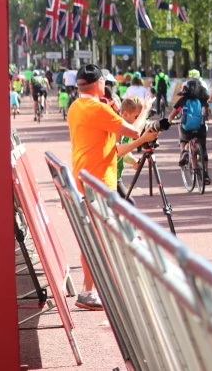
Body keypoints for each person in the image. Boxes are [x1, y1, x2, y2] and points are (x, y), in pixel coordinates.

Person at [67, 64, 160, 310]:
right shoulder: (97, 108)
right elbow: (132, 129)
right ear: (99, 84)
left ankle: (92, 288)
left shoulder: (76, 107)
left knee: (96, 237)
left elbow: (113, 150)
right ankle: (89, 291)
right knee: (97, 238)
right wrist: (146, 111)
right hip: (98, 181)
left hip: (88, 176)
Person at [170, 74, 212, 185]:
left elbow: (172, 115)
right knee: (203, 149)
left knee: (182, 134)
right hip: (200, 129)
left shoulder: (183, 101)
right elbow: (206, 113)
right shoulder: (202, 100)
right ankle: (206, 174)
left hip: (187, 130)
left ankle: (183, 152)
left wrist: (169, 122)